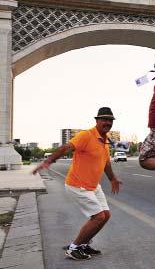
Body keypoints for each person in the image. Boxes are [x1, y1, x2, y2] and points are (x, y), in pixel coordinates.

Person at [32, 107, 122, 261]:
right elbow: (66, 147)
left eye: (110, 120)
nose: (107, 122)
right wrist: (49, 160)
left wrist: (112, 178)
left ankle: (83, 244)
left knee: (106, 215)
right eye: (104, 119)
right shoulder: (86, 136)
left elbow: (105, 162)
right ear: (97, 120)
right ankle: (73, 248)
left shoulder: (105, 140)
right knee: (98, 216)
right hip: (78, 185)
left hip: (93, 186)